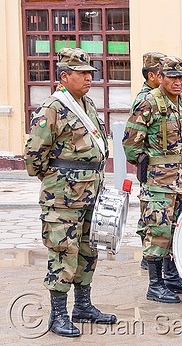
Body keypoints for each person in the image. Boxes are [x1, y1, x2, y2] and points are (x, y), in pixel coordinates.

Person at [25, 48, 116, 337]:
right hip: (63, 197)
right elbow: (33, 158)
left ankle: (83, 306)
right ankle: (58, 315)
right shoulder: (52, 108)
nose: (90, 77)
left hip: (91, 191)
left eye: (91, 72)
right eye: (83, 73)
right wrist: (58, 179)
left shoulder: (86, 104)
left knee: (88, 250)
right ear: (65, 77)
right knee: (64, 252)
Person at [123, 56, 182, 304]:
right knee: (158, 229)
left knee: (177, 228)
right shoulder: (148, 102)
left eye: (180, 77)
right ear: (159, 77)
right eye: (171, 77)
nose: (177, 82)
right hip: (159, 181)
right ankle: (155, 285)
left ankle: (172, 278)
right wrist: (149, 164)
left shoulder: (181, 101)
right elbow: (131, 144)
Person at [132, 52, 166, 270]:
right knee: (150, 211)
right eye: (162, 74)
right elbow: (133, 138)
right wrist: (143, 160)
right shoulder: (146, 98)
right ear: (153, 76)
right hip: (152, 165)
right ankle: (148, 256)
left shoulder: (159, 96)